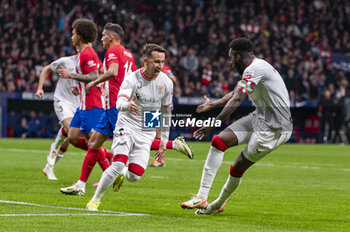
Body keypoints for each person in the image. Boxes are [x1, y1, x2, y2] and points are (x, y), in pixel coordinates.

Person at [181, 38, 292, 215]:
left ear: (238, 56)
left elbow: (238, 99)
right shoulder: (254, 69)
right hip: (261, 117)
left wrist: (215, 122)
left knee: (238, 166)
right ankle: (201, 196)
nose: (231, 62)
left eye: (232, 58)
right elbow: (235, 92)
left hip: (275, 128)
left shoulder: (256, 68)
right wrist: (213, 104)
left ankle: (217, 205)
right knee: (219, 142)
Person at [86, 44, 173, 211]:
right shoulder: (132, 78)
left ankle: (122, 174)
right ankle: (95, 200)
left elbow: (165, 111)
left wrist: (164, 139)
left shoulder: (166, 83)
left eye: (162, 62)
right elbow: (118, 103)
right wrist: (127, 105)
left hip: (148, 125)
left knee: (135, 175)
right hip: (126, 123)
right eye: (156, 62)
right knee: (118, 163)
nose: (160, 66)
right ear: (146, 61)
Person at [60, 23, 136, 195]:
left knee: (134, 142)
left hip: (113, 105)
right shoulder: (129, 54)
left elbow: (112, 72)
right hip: (110, 104)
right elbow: (131, 77)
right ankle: (81, 185)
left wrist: (95, 82)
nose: (100, 39)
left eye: (103, 36)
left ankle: (171, 145)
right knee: (91, 142)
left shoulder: (110, 52)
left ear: (110, 37)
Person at [58, 18, 106, 196]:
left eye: (73, 33)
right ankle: (106, 158)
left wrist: (71, 75)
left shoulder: (89, 54)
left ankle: (104, 174)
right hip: (83, 104)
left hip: (92, 105)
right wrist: (78, 87)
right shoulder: (81, 55)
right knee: (71, 136)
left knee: (92, 142)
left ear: (80, 35)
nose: (71, 36)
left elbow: (94, 75)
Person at [36, 54, 80, 180]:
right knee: (71, 130)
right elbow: (46, 69)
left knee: (69, 139)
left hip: (78, 103)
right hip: (62, 100)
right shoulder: (65, 61)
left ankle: (49, 167)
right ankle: (54, 147)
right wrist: (40, 88)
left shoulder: (89, 63)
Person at [150, 64, 194, 167]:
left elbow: (174, 80)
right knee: (152, 134)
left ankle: (159, 159)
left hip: (163, 105)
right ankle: (161, 158)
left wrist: (164, 75)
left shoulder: (165, 69)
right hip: (152, 104)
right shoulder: (149, 70)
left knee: (158, 132)